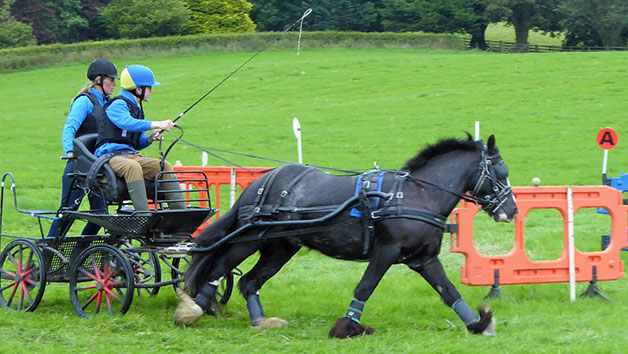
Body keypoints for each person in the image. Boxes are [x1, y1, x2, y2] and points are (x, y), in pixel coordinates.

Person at [94, 64, 185, 211]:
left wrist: (150, 139)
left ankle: (180, 212)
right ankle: (143, 214)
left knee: (164, 166)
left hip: (130, 155)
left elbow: (137, 143)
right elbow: (127, 123)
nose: (151, 91)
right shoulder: (117, 104)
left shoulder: (137, 110)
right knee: (133, 167)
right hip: (109, 157)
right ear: (138, 89)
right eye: (149, 88)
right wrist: (158, 124)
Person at [47, 59, 118, 238]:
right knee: (68, 212)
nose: (114, 84)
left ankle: (80, 252)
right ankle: (46, 252)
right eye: (111, 80)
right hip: (79, 165)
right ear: (99, 80)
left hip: (98, 166)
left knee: (101, 215)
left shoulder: (109, 103)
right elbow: (70, 127)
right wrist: (69, 152)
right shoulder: (85, 101)